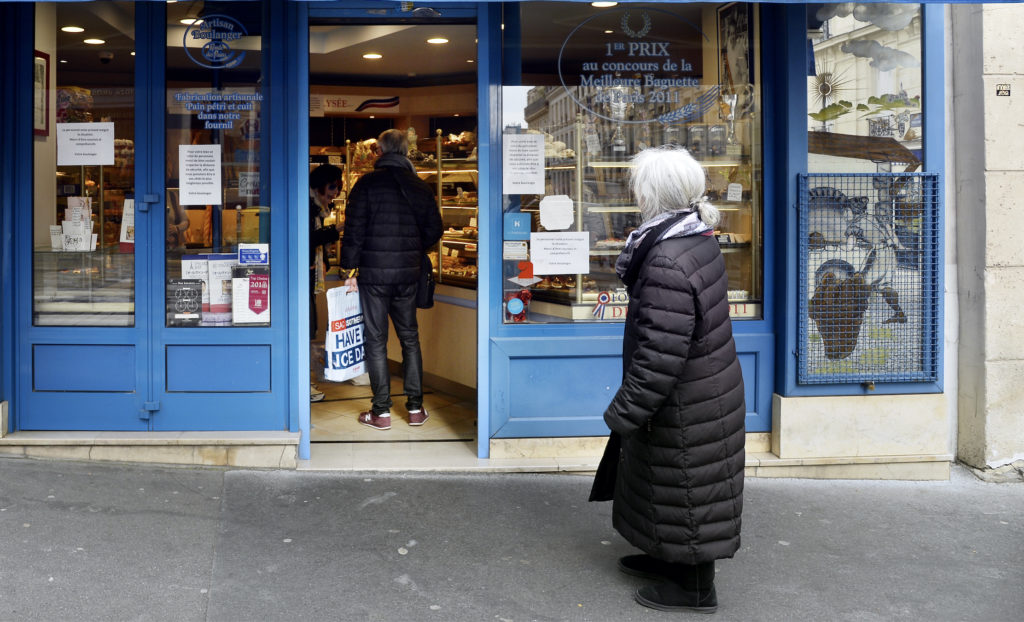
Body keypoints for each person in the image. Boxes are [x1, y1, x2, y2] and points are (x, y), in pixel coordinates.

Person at [590, 145, 745, 613]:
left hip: (687, 398)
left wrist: (625, 411)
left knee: (687, 485)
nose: (635, 193)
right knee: (667, 481)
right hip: (703, 388)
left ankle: (694, 587)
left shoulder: (665, 259)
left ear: (652, 194)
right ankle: (668, 557)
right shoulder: (693, 236)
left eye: (639, 186)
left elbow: (660, 354)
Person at [340, 129, 442, 430]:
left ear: (380, 152)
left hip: (373, 276)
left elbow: (354, 230)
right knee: (409, 338)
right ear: (406, 152)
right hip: (408, 274)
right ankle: (415, 409)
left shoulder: (366, 184)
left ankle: (381, 412)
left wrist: (349, 270)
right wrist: (413, 250)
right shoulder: (419, 186)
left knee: (376, 341)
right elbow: (435, 229)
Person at [309, 164, 343, 402]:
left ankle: (304, 380)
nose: (335, 193)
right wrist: (336, 229)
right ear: (320, 186)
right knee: (307, 325)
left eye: (338, 188)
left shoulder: (318, 209)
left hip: (310, 272)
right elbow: (307, 237)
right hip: (303, 273)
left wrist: (324, 261)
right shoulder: (308, 207)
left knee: (310, 325)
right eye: (332, 187)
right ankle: (302, 382)